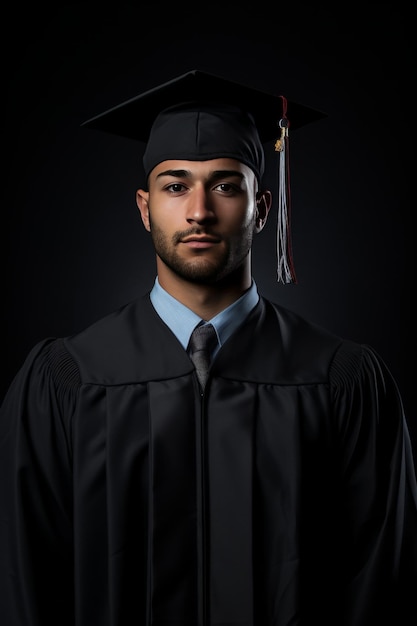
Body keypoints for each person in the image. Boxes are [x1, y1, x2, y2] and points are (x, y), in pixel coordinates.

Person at [0, 69, 416, 626]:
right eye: (175, 185)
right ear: (146, 208)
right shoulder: (66, 380)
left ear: (262, 208)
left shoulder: (341, 380)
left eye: (225, 185)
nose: (199, 210)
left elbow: (383, 587)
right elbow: (27, 584)